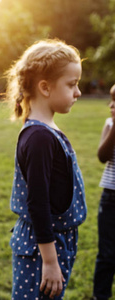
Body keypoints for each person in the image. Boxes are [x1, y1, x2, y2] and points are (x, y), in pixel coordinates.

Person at [3, 39, 87, 299]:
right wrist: (50, 262)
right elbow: (38, 203)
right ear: (45, 87)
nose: (78, 92)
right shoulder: (39, 138)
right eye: (72, 84)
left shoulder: (46, 131)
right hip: (42, 249)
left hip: (54, 243)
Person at [93, 83, 115, 300]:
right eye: (112, 100)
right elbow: (102, 156)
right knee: (107, 254)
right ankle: (100, 296)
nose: (111, 105)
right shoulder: (110, 124)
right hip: (110, 197)